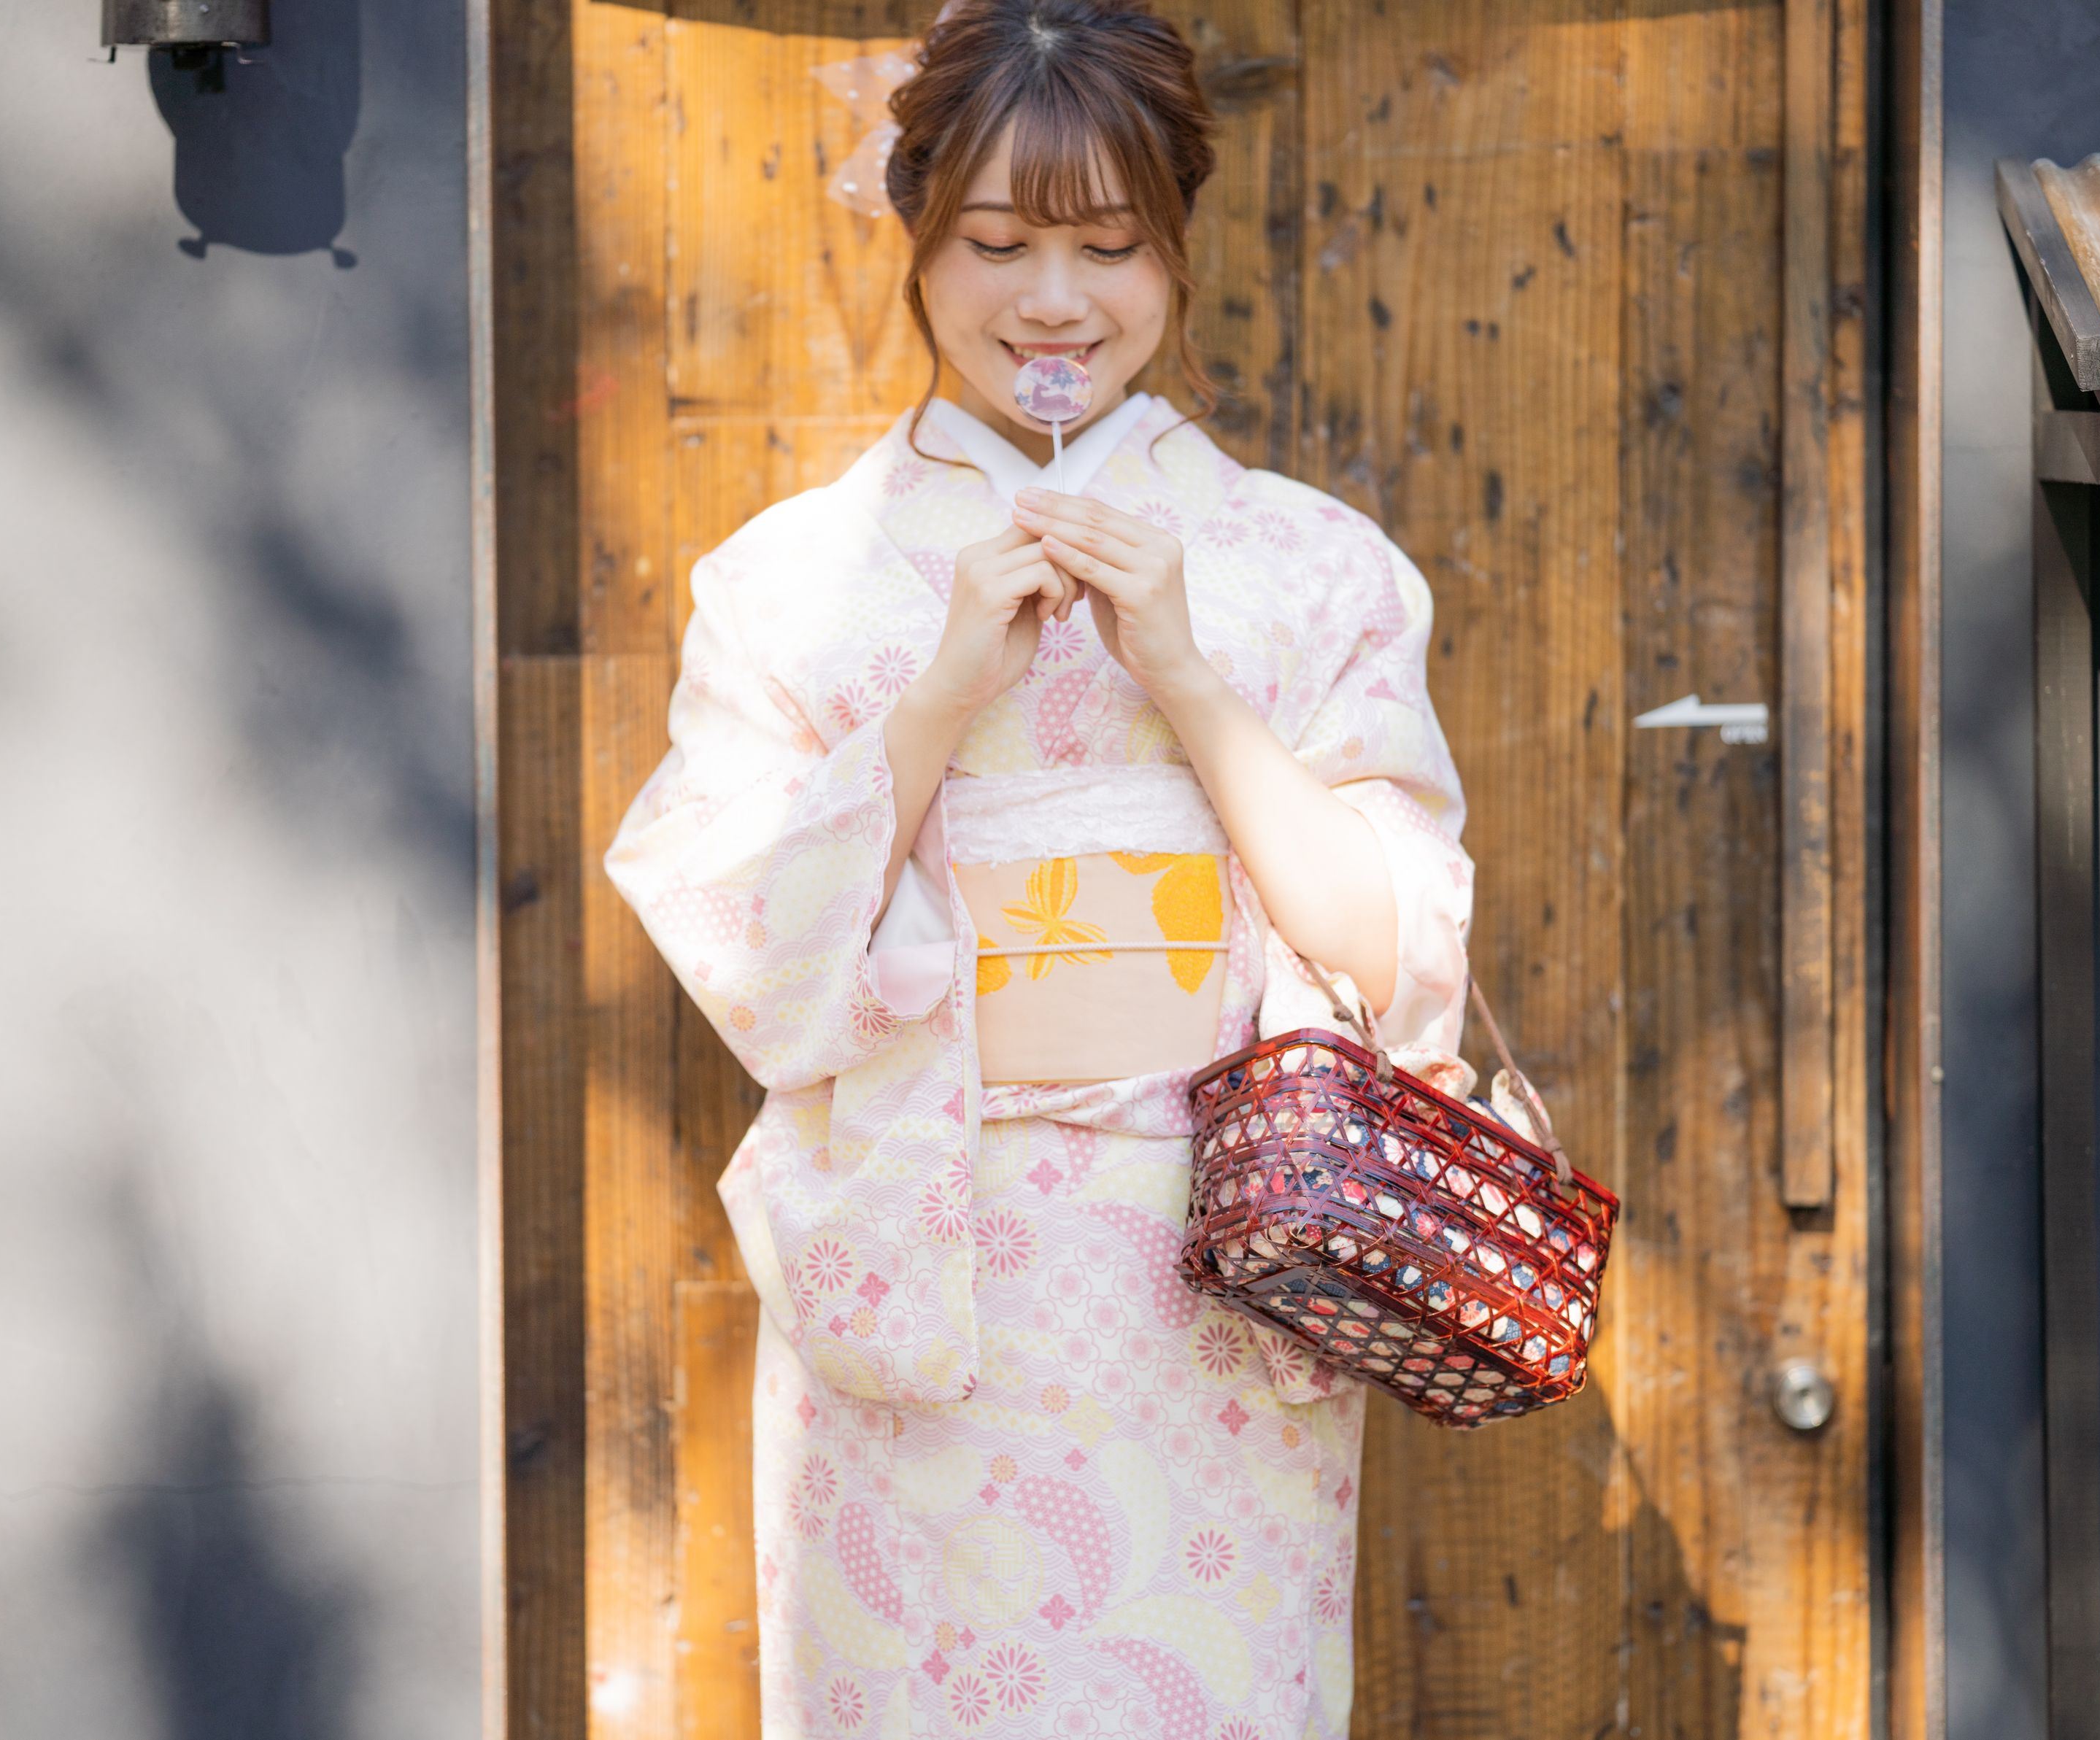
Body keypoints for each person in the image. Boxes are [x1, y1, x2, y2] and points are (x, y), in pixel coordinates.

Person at [607, 3, 1472, 1733]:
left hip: (1212, 1276)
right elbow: (752, 958)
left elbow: (1389, 956)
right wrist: (936, 694)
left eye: (1109, 245)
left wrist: (1189, 676)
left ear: (1178, 243)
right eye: (998, 244)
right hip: (926, 1264)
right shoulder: (787, 585)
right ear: (917, 235)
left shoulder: (1312, 567)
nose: (1054, 300)